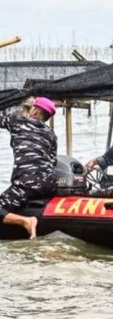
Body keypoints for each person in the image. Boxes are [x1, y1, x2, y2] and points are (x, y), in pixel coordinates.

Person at [0, 97, 57, 239]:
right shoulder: (51, 134)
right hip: (49, 184)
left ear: (35, 110)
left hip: (27, 183)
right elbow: (53, 161)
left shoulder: (18, 121)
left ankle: (26, 221)